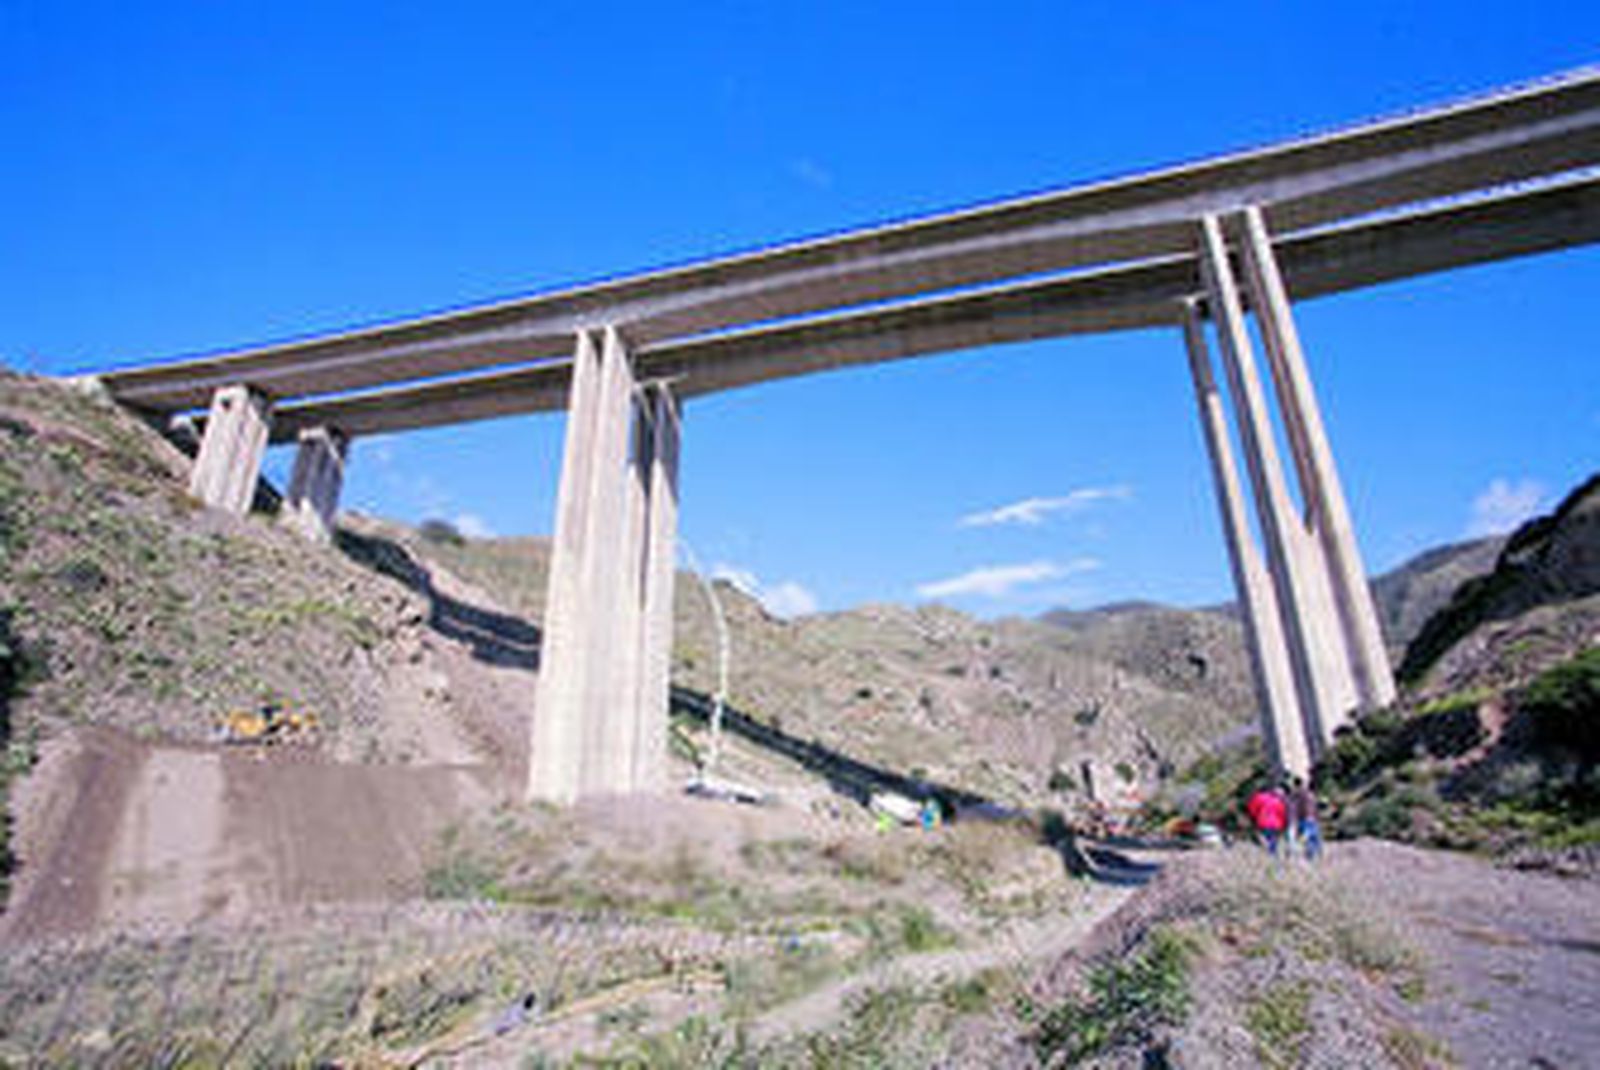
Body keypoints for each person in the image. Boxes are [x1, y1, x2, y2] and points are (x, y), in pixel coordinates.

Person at [1245, 783, 1288, 856]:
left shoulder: (1258, 797)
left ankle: (1269, 853)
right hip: (1276, 824)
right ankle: (1272, 853)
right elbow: (1282, 814)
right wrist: (1283, 825)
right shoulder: (1278, 801)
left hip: (1263, 822)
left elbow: (1252, 809)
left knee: (1266, 838)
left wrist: (1254, 817)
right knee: (1272, 838)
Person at [1289, 775, 1323, 861]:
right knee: (1313, 837)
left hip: (1304, 819)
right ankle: (1315, 855)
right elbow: (1315, 809)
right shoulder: (1313, 796)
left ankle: (1309, 855)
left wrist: (1297, 817)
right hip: (1311, 819)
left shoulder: (1299, 794)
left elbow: (1298, 807)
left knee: (1307, 837)